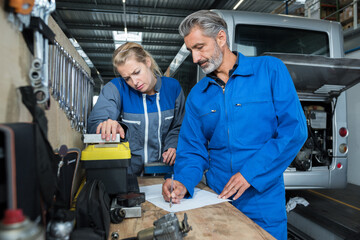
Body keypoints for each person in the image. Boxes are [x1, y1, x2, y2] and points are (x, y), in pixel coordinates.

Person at [162, 10, 307, 240]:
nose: (195, 58)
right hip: (216, 200)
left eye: (200, 47)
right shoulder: (198, 95)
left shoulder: (270, 70)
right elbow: (192, 149)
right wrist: (183, 183)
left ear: (221, 38)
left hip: (262, 201)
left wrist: (250, 174)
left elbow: (294, 131)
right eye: (191, 50)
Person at [88, 42, 185, 175]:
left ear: (147, 62)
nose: (134, 82)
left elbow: (179, 126)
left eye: (137, 72)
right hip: (128, 176)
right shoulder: (115, 89)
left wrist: (173, 145)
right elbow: (94, 124)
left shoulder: (172, 88)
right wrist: (106, 125)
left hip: (166, 175)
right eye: (127, 78)